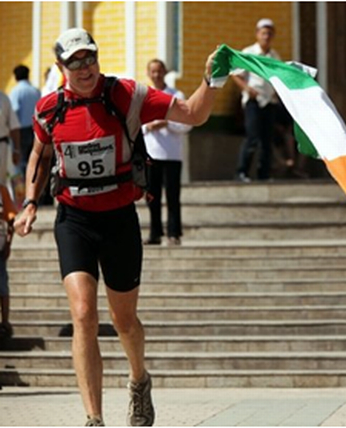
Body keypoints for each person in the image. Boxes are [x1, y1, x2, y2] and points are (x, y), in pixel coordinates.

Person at [14, 28, 222, 426]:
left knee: (124, 320)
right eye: (74, 61)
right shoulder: (49, 109)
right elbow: (39, 154)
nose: (84, 67)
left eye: (89, 57)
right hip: (73, 219)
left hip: (118, 219)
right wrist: (28, 203)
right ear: (61, 67)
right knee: (83, 314)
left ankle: (139, 379)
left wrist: (210, 80)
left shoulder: (126, 95)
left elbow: (194, 114)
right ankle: (94, 418)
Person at [142, 59, 192, 246]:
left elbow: (187, 123)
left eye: (159, 71)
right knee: (152, 195)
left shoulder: (176, 95)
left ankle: (174, 232)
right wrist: (149, 126)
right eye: (153, 71)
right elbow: (136, 125)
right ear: (148, 73)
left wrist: (167, 123)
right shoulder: (144, 96)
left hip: (171, 153)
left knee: (173, 195)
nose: (156, 75)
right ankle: (155, 232)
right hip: (151, 152)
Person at [231, 18, 281, 182]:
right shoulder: (249, 52)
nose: (266, 36)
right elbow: (236, 74)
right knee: (252, 137)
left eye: (269, 33)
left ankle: (264, 174)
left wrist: (276, 93)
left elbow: (278, 78)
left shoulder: (274, 56)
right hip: (253, 101)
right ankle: (241, 172)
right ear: (257, 34)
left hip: (269, 101)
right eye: (263, 33)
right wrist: (246, 88)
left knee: (267, 140)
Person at [9, 65, 41, 176]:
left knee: (20, 162)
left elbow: (14, 112)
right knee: (34, 159)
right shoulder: (35, 91)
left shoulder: (16, 92)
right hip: (36, 129)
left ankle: (22, 188)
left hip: (21, 131)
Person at [0, 184, 17, 339]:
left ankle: (4, 322)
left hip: (0, 249)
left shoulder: (2, 191)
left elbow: (11, 219)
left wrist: (8, 244)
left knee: (2, 286)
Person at [0, 89, 21, 187]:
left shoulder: (3, 99)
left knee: (1, 183)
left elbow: (14, 126)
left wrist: (16, 150)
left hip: (1, 147)